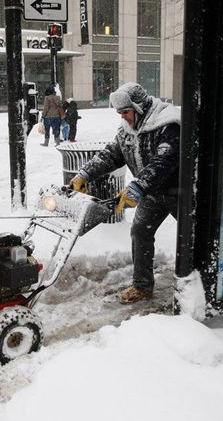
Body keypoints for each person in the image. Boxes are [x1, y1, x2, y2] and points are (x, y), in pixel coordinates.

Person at [70, 82, 181, 304]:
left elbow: (164, 162)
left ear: (139, 108)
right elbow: (110, 155)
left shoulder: (168, 125)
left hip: (180, 193)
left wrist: (137, 187)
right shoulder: (127, 131)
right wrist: (84, 175)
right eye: (119, 113)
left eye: (126, 112)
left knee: (193, 238)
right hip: (151, 194)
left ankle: (198, 282)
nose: (123, 117)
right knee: (140, 232)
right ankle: (142, 286)